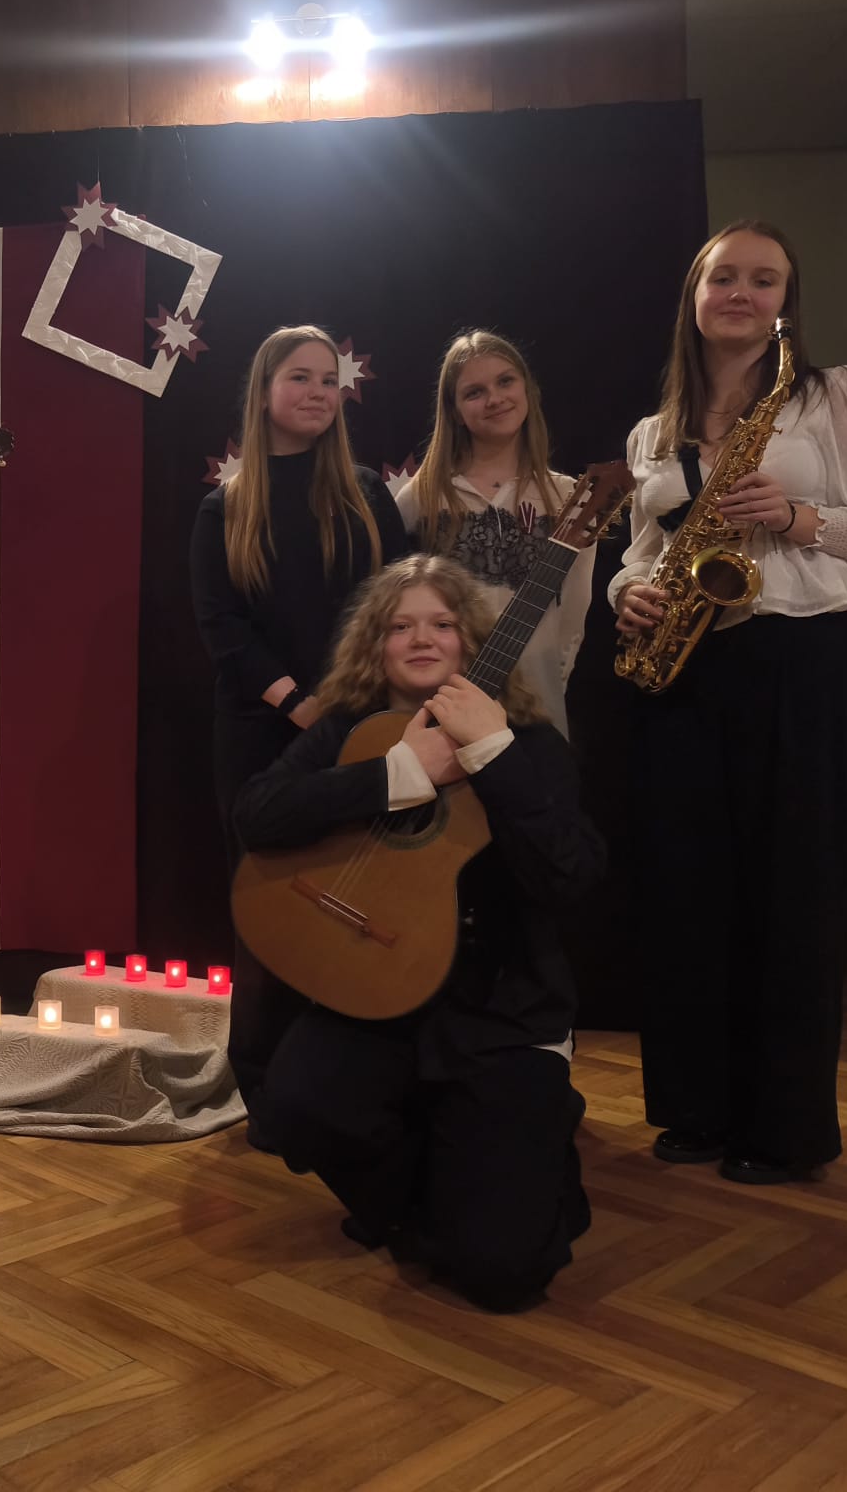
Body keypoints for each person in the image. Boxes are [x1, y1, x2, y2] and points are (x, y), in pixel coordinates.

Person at [612, 219, 847, 1185]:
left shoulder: (833, 396)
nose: (741, 294)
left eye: (764, 279)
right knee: (687, 893)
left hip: (803, 658)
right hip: (687, 671)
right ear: (695, 295)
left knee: (796, 895)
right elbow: (639, 551)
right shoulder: (654, 429)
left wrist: (796, 517)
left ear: (787, 301)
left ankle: (784, 1127)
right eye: (723, 278)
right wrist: (629, 591)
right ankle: (696, 1108)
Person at [235, 555, 601, 1311]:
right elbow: (257, 815)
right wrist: (400, 772)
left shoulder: (529, 745)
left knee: (503, 1274)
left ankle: (504, 1182)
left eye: (442, 623)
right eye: (400, 626)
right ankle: (419, 1201)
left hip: (499, 1017)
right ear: (375, 646)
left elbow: (571, 877)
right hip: (375, 997)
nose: (422, 638)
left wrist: (491, 754)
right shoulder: (344, 731)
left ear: (472, 641)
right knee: (293, 1107)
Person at [189, 323, 404, 1140]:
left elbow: (396, 601)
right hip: (260, 733)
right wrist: (299, 705)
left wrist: (351, 704)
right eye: (300, 377)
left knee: (356, 901)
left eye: (328, 379)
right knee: (267, 908)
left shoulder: (367, 494)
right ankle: (266, 1093)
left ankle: (346, 1084)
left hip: (362, 724)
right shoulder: (225, 504)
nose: (318, 392)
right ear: (264, 391)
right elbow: (222, 626)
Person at [392, 329, 591, 735]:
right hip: (444, 705)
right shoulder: (422, 497)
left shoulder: (568, 496)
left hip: (538, 702)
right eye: (474, 392)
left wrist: (551, 679)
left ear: (527, 389)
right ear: (454, 410)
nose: (495, 399)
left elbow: (575, 608)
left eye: (505, 381)